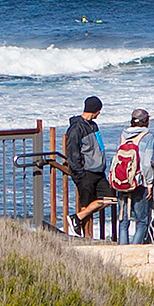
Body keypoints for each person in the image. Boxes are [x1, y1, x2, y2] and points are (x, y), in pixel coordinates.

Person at [62, 96, 115, 236]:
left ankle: (77, 217)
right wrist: (79, 174)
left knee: (109, 199)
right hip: (86, 173)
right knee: (86, 202)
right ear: (96, 110)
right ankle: (82, 230)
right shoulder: (76, 128)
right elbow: (73, 152)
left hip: (98, 172)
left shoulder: (93, 125)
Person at [109, 109, 154, 245]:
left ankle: (122, 251)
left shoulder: (124, 134)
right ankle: (134, 251)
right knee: (141, 221)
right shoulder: (148, 136)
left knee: (123, 220)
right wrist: (149, 184)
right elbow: (146, 164)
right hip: (138, 182)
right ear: (146, 121)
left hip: (121, 180)